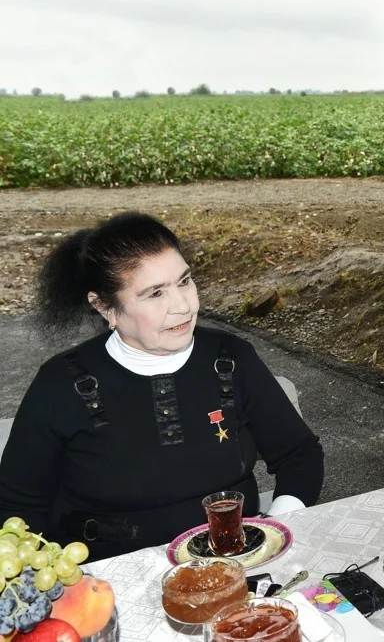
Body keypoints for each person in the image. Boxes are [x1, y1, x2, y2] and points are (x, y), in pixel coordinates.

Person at [0, 213, 324, 562]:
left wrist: (274, 529)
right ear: (104, 306)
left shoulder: (230, 359)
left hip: (235, 559)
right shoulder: (61, 383)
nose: (183, 306)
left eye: (184, 281)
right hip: (111, 577)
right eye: (155, 293)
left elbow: (299, 456)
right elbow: (18, 509)